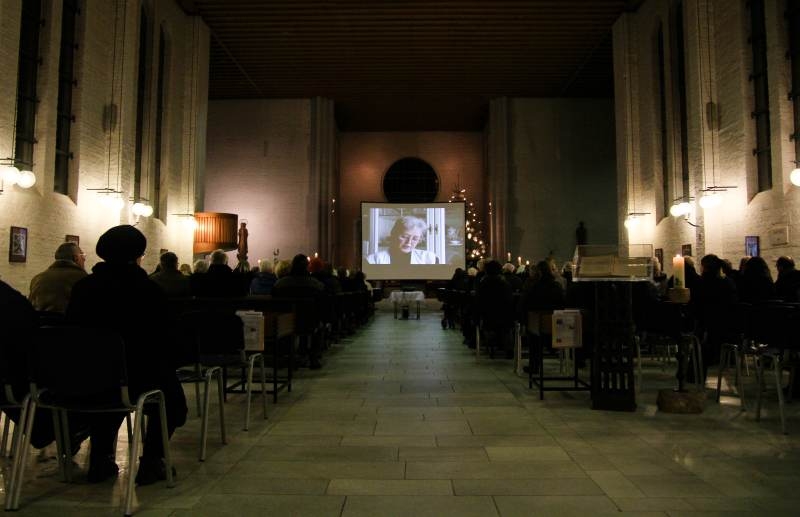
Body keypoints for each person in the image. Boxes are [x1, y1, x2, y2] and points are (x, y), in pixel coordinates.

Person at [66, 225, 187, 485]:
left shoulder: (83, 289)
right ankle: (152, 461)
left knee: (106, 394)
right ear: (138, 254)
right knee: (172, 401)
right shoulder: (148, 291)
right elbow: (166, 338)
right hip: (137, 375)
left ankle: (100, 459)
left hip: (87, 378)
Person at [272, 254, 326, 369]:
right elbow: (321, 305)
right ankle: (314, 357)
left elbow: (274, 304)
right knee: (319, 325)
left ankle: (286, 356)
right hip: (310, 322)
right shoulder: (315, 284)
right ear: (307, 267)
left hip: (285, 323)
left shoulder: (280, 284)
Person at [28, 242, 87, 313]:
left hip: (40, 323)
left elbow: (30, 307)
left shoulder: (37, 278)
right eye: (83, 256)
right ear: (76, 258)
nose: (84, 259)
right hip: (71, 323)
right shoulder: (83, 279)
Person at [366, 216, 437, 264]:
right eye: (405, 237)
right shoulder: (374, 260)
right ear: (394, 234)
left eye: (415, 239)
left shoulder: (429, 258)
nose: (409, 242)